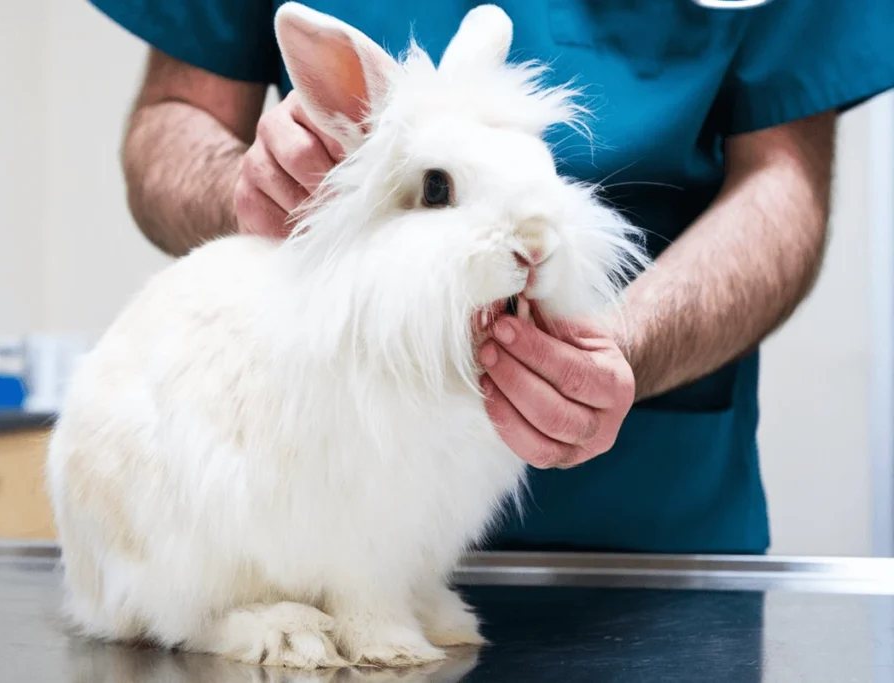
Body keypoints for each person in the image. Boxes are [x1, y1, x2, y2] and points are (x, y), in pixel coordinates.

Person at [89, 0, 894, 554]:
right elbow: (175, 118)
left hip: (646, 532)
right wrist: (253, 191)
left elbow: (781, 182)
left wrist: (624, 342)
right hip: (317, 515)